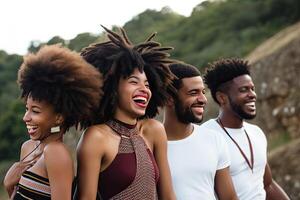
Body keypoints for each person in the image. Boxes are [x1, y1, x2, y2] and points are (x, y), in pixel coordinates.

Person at [75, 26, 176, 199]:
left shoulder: (154, 130)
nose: (144, 89)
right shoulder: (96, 137)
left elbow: (168, 195)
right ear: (112, 87)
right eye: (133, 81)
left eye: (147, 84)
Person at [3, 45, 102, 200]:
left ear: (59, 117)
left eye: (35, 111)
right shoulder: (27, 147)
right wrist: (9, 186)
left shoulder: (56, 153)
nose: (25, 117)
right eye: (26, 109)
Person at [202, 58, 290, 200]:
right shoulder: (206, 136)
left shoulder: (256, 132)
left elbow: (268, 185)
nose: (252, 95)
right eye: (244, 90)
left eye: (252, 89)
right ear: (222, 97)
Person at [163, 62, 237, 200]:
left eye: (203, 92)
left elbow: (230, 197)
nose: (203, 99)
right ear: (169, 99)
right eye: (193, 93)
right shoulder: (150, 146)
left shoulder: (214, 139)